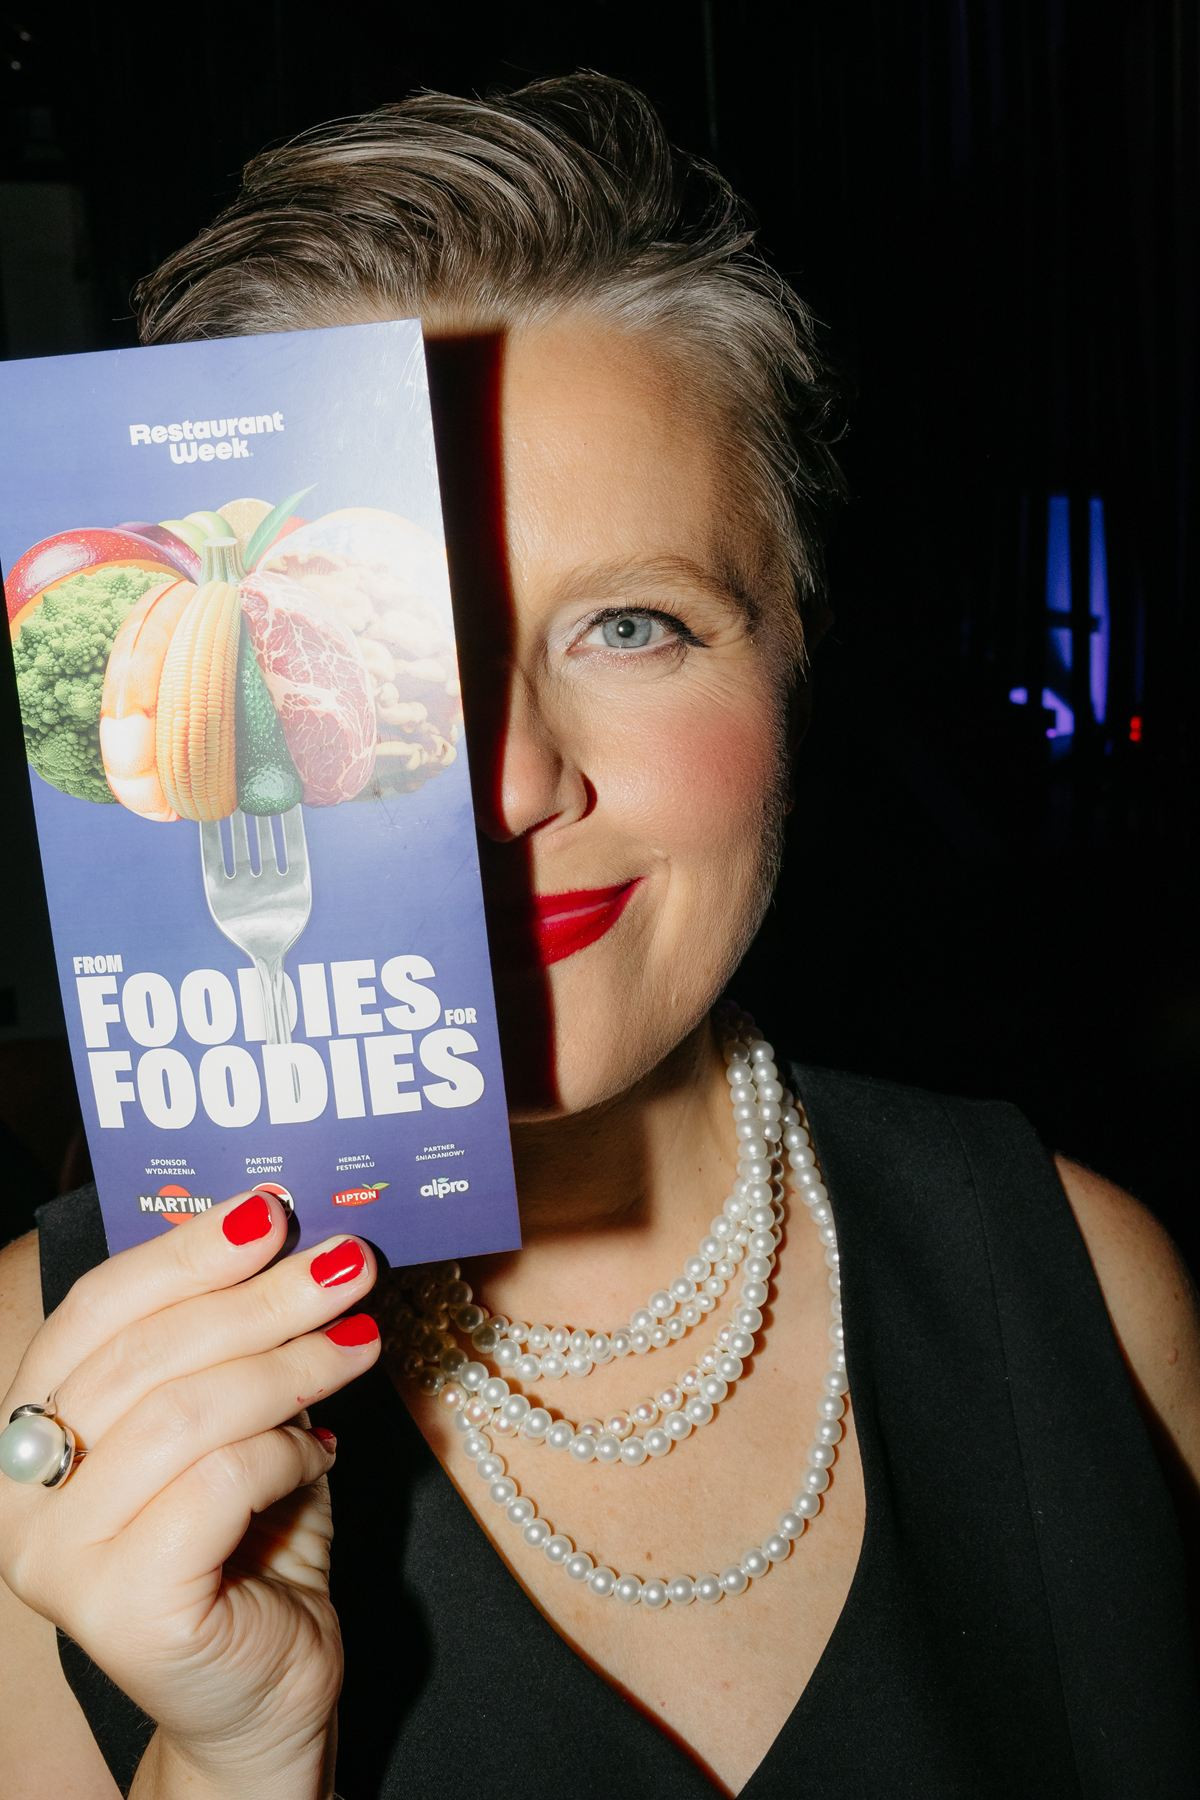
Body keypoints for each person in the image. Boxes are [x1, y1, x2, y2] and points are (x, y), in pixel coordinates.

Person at [1, 72, 1198, 1800]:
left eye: (631, 625)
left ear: (796, 659)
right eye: (389, 645)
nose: (509, 784)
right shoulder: (47, 1405)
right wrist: (235, 1758)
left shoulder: (1090, 1285)